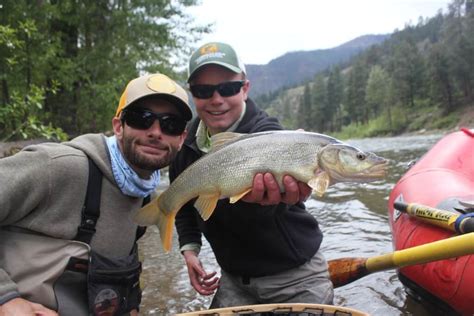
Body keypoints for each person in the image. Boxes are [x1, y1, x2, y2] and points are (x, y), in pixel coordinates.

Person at [0, 73, 192, 316]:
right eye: (141, 119)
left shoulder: (145, 197)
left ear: (181, 139)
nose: (155, 132)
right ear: (118, 127)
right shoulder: (58, 167)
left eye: (170, 124)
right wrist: (6, 299)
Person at [170, 42, 334, 308]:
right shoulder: (185, 144)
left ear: (245, 88)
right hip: (234, 280)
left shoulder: (270, 134)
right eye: (203, 90)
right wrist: (189, 250)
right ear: (193, 95)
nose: (216, 99)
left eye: (228, 88)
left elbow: (270, 213)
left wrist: (267, 202)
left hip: (294, 276)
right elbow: (184, 205)